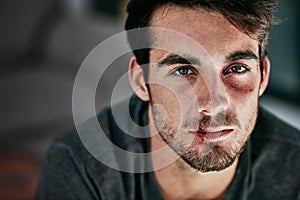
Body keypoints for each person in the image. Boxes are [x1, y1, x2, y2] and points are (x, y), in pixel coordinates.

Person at [36, 0, 300, 199]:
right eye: (183, 71)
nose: (214, 104)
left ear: (263, 76)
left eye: (238, 69)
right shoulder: (80, 167)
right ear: (141, 82)